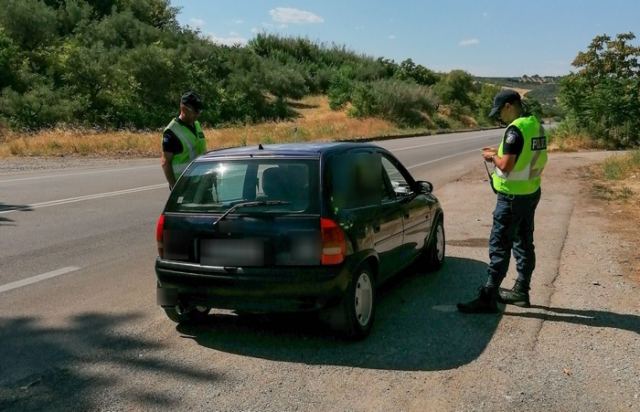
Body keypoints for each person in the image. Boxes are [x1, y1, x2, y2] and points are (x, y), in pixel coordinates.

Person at [458, 89, 548, 313]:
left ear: (509, 106)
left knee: (500, 245)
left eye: (500, 111)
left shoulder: (514, 130)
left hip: (511, 198)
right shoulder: (535, 125)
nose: (499, 116)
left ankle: (488, 296)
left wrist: (492, 157)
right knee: (524, 242)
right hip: (530, 192)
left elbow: (506, 165)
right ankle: (521, 291)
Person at [161, 91, 207, 189]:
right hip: (185, 186)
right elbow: (165, 162)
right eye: (195, 111)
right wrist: (174, 188)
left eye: (199, 111)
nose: (198, 114)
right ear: (184, 108)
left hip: (202, 183)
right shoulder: (172, 131)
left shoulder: (197, 125)